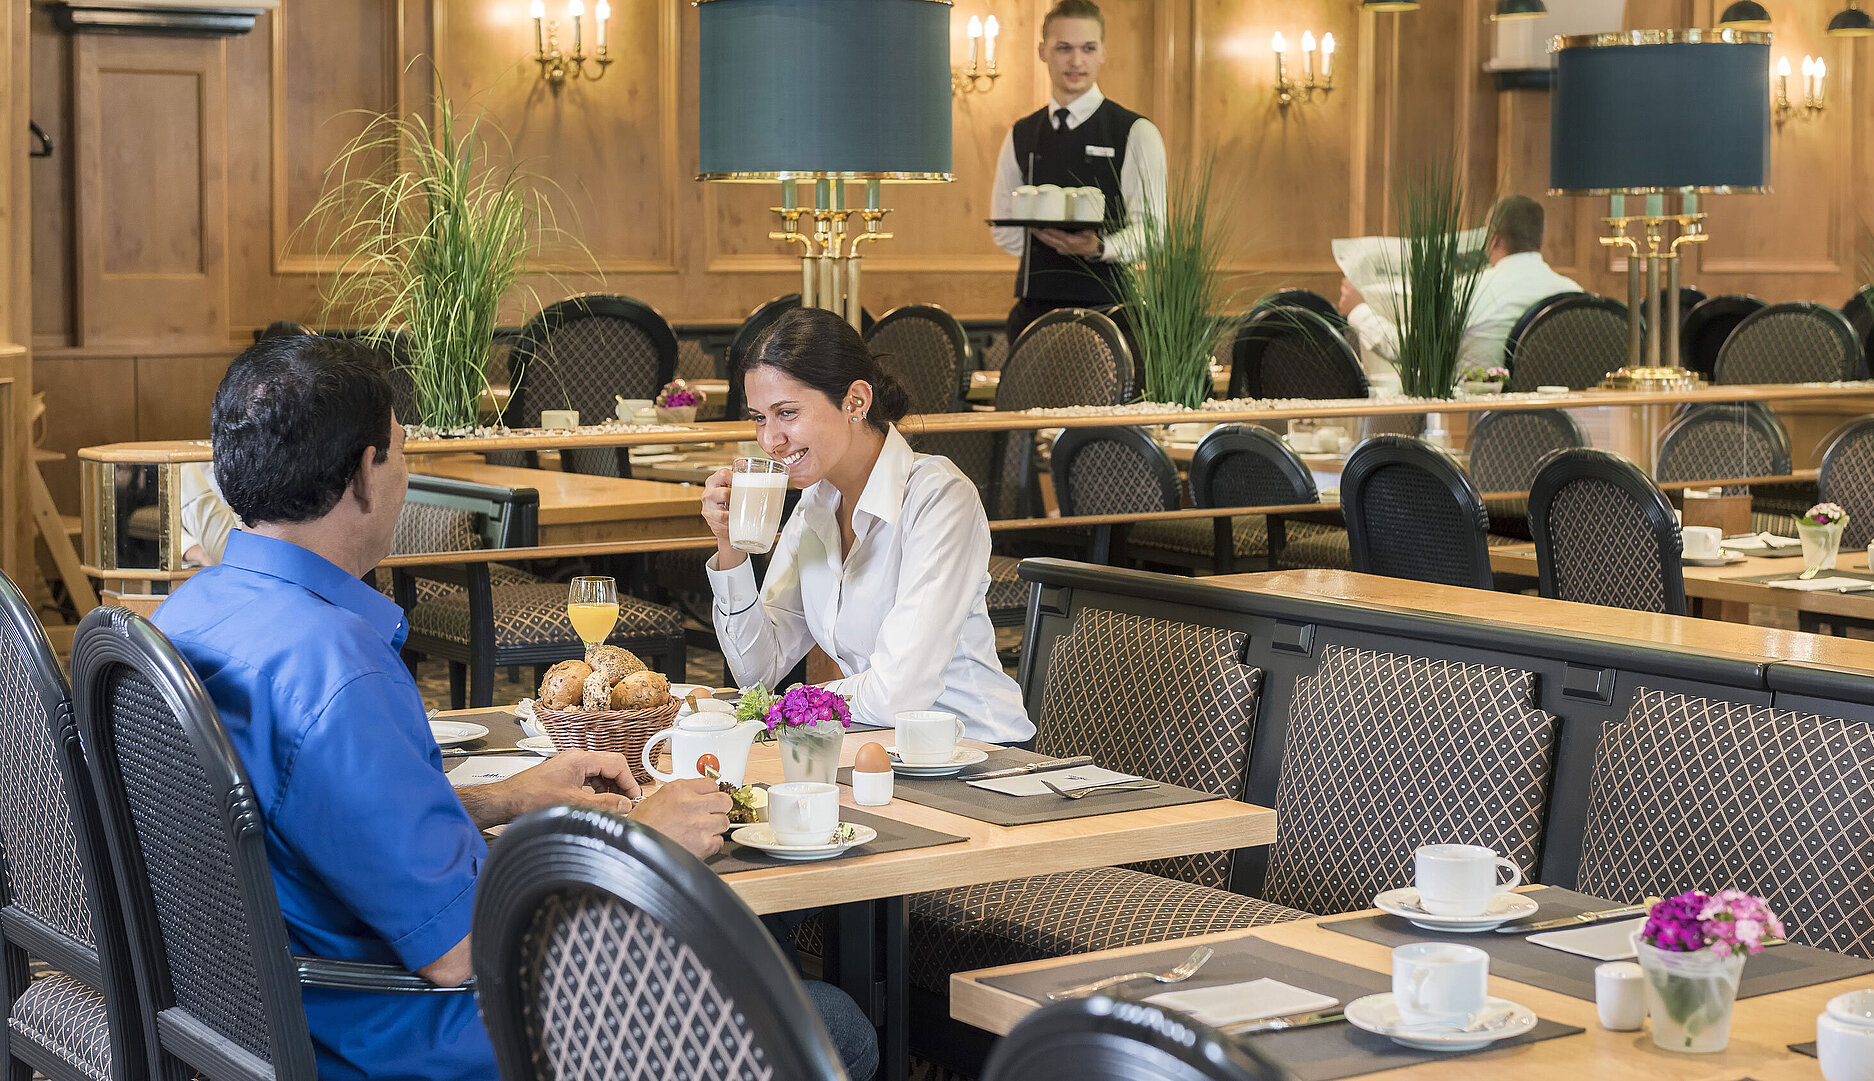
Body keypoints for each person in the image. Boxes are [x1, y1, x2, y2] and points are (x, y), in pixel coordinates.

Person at [155, 335, 875, 1081]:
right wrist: (640, 841)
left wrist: (508, 797)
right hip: (425, 1039)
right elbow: (462, 952)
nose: (407, 473)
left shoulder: (191, 613)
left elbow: (304, 819)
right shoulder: (338, 672)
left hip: (254, 1019)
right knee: (828, 1025)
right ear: (366, 475)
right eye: (401, 452)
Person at [700, 308, 1035, 745]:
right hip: (876, 747)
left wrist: (785, 707)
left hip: (980, 755)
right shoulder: (814, 506)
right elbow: (757, 670)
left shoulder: (939, 496)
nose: (769, 440)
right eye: (760, 418)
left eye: (787, 413)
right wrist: (731, 547)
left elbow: (897, 693)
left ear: (856, 401)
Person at [989, 0, 1167, 343]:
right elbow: (1004, 224)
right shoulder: (1021, 133)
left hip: (1111, 313)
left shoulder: (1135, 132)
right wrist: (1047, 249)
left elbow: (1154, 232)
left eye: (1088, 48)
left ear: (1103, 52)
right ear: (1042, 51)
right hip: (1032, 312)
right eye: (1063, 48)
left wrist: (1099, 248)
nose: (1076, 61)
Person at [1339, 194, 1583, 380]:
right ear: (1538, 238)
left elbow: (1412, 350)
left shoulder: (1471, 292)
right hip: (1570, 430)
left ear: (1493, 237)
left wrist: (1358, 310)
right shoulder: (1575, 295)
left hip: (1487, 428)